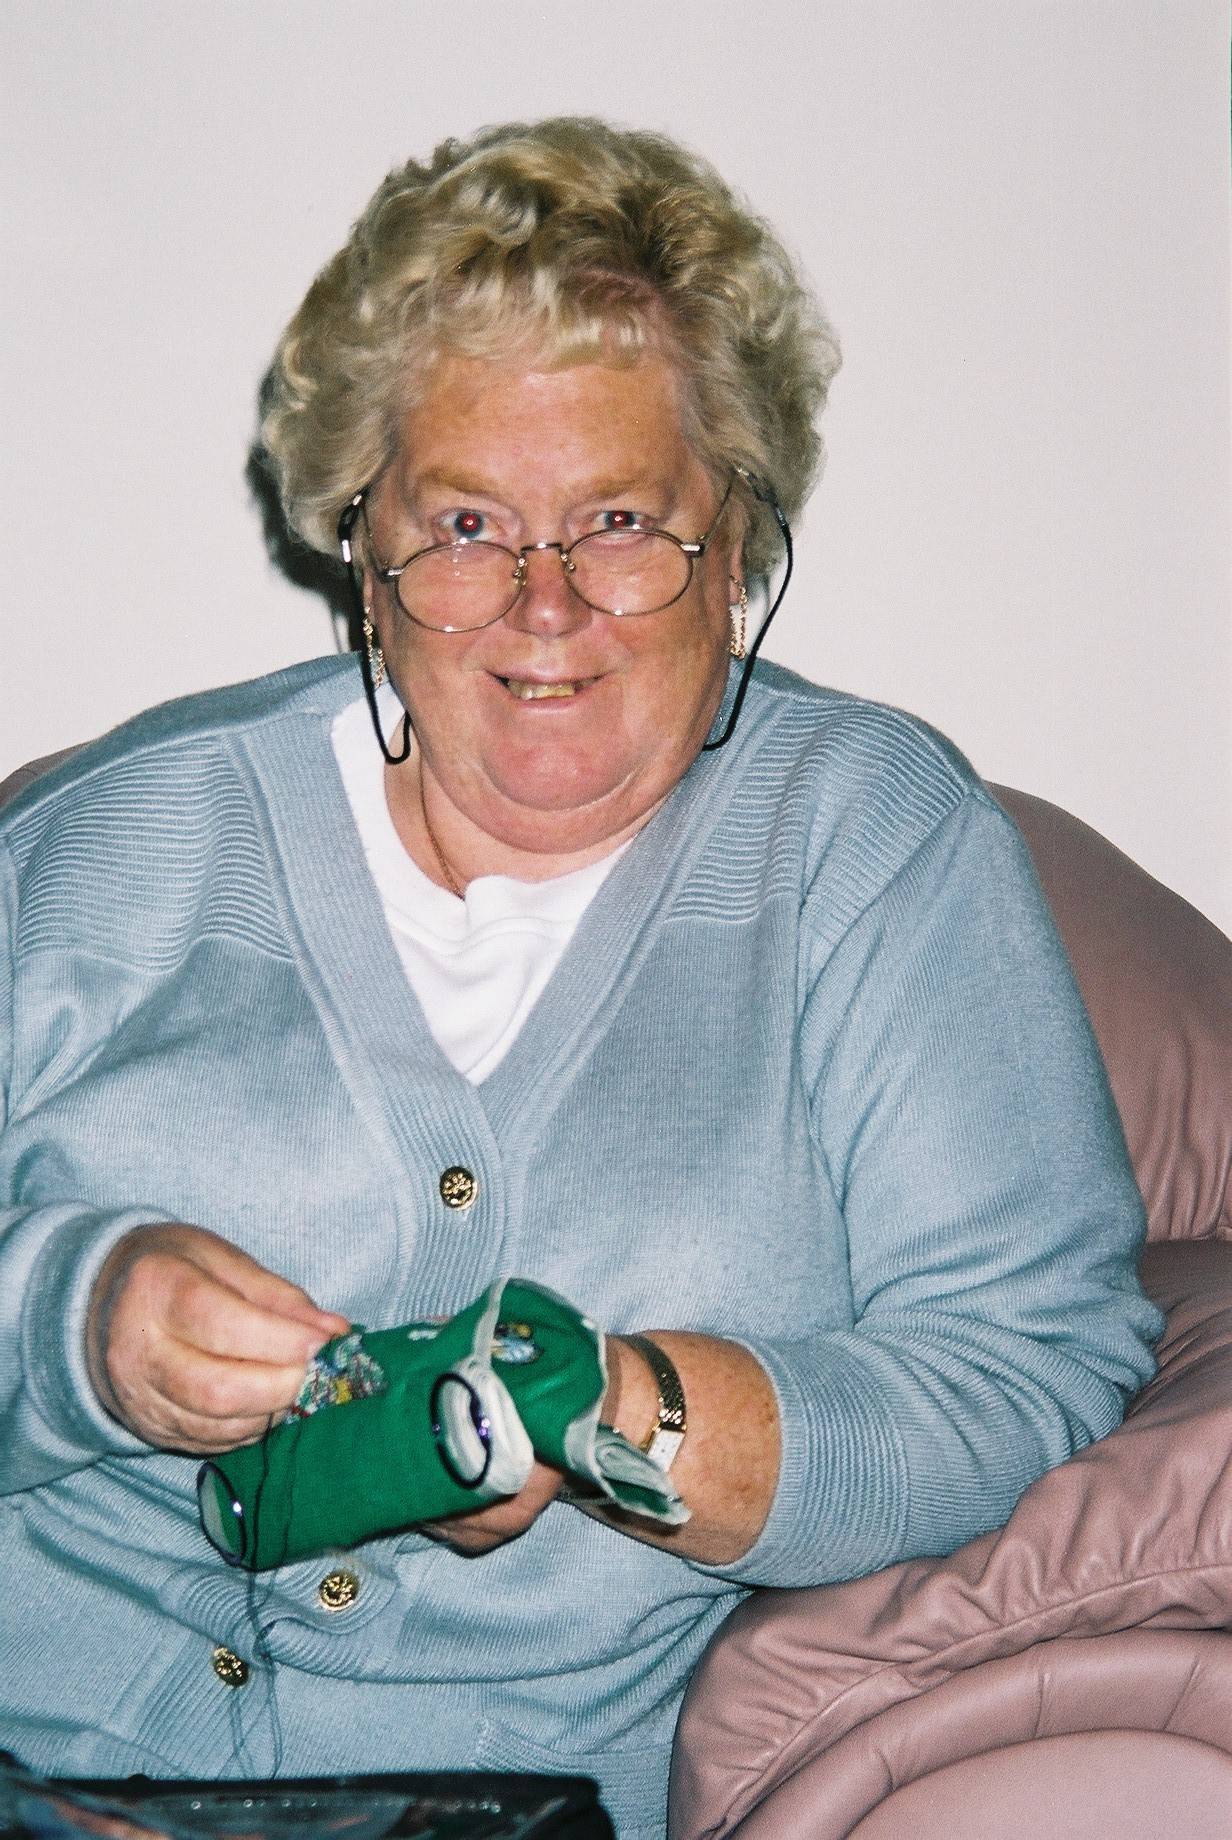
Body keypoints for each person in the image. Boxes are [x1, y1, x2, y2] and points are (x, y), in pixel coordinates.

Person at [0, 117, 1161, 1839]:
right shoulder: (106, 843)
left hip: (504, 1804)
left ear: (742, 535)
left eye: (621, 521)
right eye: (465, 524)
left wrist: (623, 1419)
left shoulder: (868, 841)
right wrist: (78, 1324)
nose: (546, 609)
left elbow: (1030, 1363)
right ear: (361, 554)